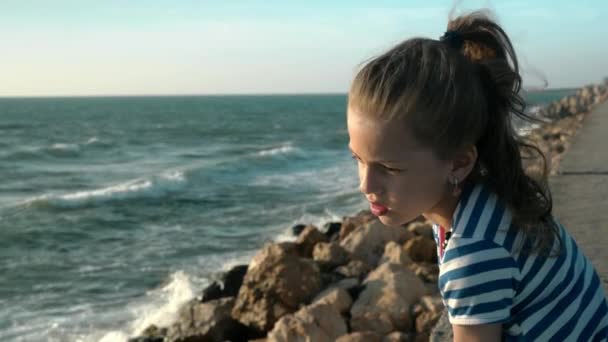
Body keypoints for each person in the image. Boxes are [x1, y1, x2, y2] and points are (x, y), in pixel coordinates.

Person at [346, 9, 608, 341]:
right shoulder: (486, 195)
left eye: (390, 168)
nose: (366, 185)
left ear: (458, 163)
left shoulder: (473, 251)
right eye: (358, 159)